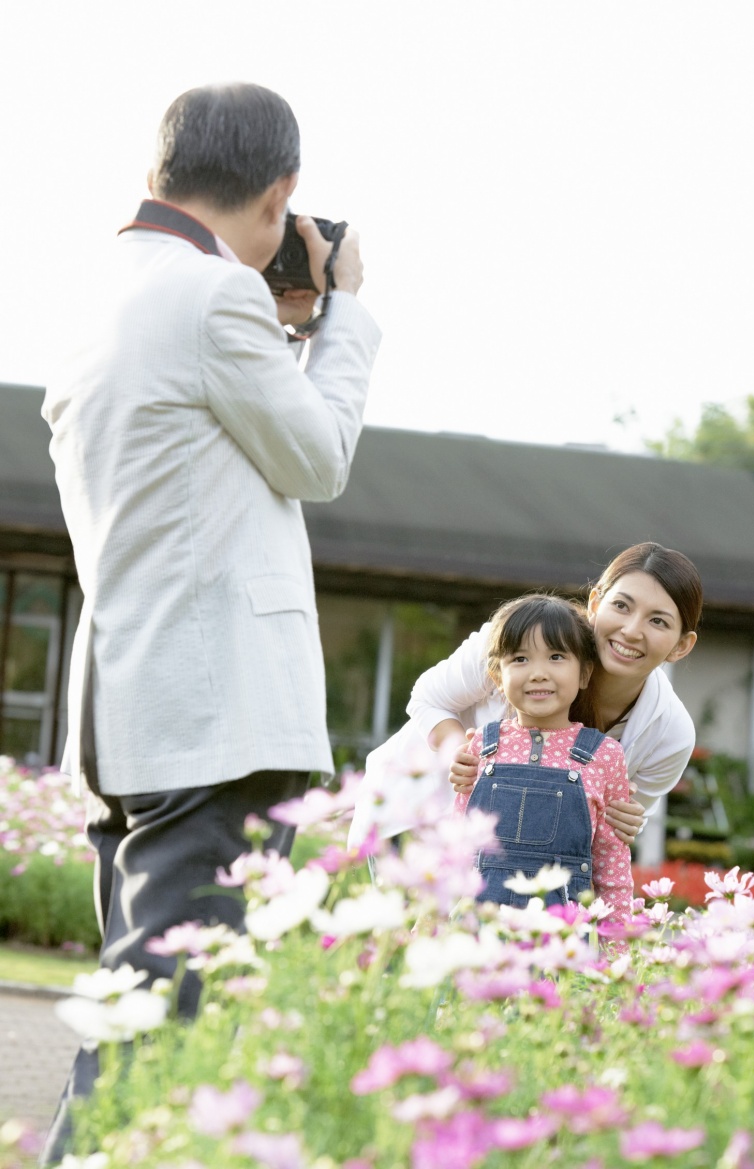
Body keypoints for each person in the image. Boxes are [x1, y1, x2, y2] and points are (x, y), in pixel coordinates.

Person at [40, 82, 381, 1164]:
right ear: (281, 194)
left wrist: (287, 331)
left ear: (157, 174)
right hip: (217, 723)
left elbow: (212, 461)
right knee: (163, 1030)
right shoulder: (210, 296)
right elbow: (317, 458)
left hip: (136, 710)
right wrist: (348, 316)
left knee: (154, 1017)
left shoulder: (109, 295)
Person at [348, 542, 700, 849]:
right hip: (413, 820)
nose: (631, 630)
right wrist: (460, 752)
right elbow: (427, 697)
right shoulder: (517, 639)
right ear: (595, 602)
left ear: (681, 645)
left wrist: (623, 819)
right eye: (622, 606)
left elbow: (607, 831)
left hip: (517, 868)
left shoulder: (670, 734)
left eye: (658, 622)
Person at [458, 594, 633, 929]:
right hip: (480, 931)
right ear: (498, 676)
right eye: (520, 659)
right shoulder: (483, 743)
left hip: (561, 938)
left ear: (584, 674)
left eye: (556, 657)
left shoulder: (605, 755)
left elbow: (612, 862)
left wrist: (615, 952)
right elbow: (457, 843)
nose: (538, 673)